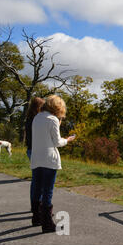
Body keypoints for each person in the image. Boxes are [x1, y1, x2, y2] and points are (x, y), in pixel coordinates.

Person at [30, 95, 75, 232]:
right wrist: (67, 140)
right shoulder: (53, 119)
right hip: (49, 159)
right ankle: (47, 223)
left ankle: (36, 217)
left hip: (36, 158)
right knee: (48, 191)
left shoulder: (36, 117)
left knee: (37, 189)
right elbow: (56, 142)